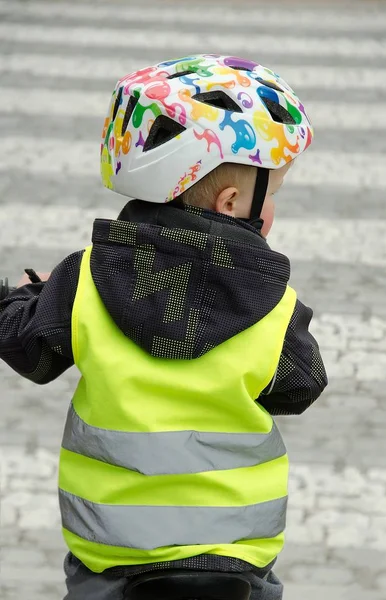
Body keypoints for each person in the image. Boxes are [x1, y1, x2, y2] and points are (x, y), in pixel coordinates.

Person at [0, 54, 328, 599]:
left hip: (113, 551)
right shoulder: (274, 305)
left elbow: (28, 349)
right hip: (234, 554)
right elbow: (300, 387)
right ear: (231, 202)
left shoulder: (84, 278)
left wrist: (29, 297)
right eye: (272, 195)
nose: (273, 209)